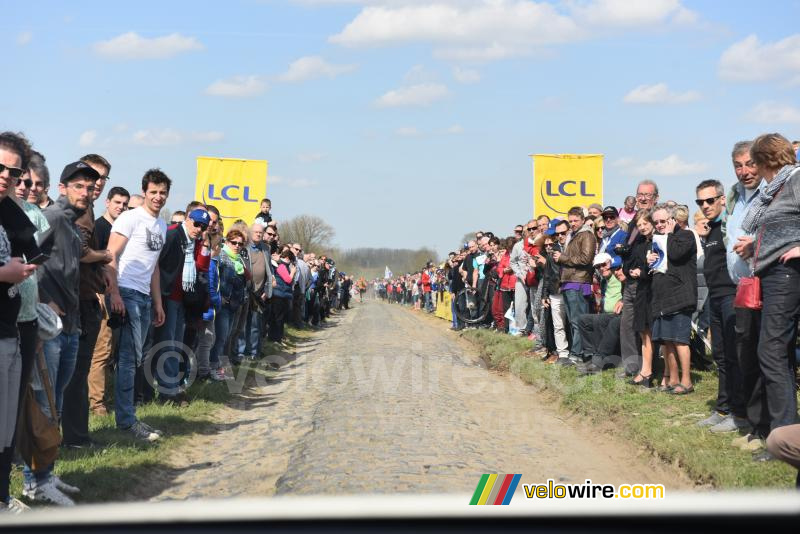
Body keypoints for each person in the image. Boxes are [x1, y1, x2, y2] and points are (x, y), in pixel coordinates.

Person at [23, 160, 98, 503]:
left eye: (89, 187)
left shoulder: (70, 224)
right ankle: (33, 481)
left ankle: (47, 476)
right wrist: (43, 300)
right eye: (78, 186)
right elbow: (24, 257)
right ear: (63, 188)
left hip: (71, 326)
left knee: (57, 404)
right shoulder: (51, 217)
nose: (85, 192)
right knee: (44, 404)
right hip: (49, 329)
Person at [738, 133, 800, 447]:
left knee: (771, 351)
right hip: (772, 273)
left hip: (788, 275)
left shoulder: (796, 179)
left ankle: (784, 436)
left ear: (764, 161)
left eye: (755, 163)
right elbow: (784, 226)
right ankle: (785, 435)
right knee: (779, 351)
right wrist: (756, 245)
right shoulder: (775, 191)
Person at [107, 169, 171, 442]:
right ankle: (126, 421)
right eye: (153, 192)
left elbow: (154, 267)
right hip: (127, 292)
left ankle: (129, 417)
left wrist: (158, 303)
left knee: (136, 358)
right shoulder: (130, 218)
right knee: (128, 360)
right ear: (144, 191)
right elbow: (111, 256)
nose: (158, 197)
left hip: (145, 297)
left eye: (163, 193)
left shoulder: (162, 226)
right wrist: (115, 294)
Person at [60, 153, 113, 449]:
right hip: (78, 301)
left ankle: (73, 437)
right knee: (75, 374)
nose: (97, 183)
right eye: (92, 176)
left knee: (74, 374)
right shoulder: (80, 210)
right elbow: (80, 252)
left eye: (102, 178)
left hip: (84, 297)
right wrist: (104, 256)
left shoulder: (86, 208)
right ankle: (76, 439)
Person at [0, 132, 40, 512]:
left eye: (12, 172)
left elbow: (33, 248)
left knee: (4, 429)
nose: (5, 176)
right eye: (0, 167)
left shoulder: (9, 212)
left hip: (11, 329)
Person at [692, 179, 748, 433]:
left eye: (710, 200)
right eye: (700, 201)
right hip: (715, 296)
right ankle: (723, 408)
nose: (705, 205)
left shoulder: (730, 224)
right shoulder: (711, 228)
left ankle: (739, 413)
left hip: (732, 295)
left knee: (735, 357)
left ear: (722, 199)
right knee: (721, 356)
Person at [725, 140, 770, 450]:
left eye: (750, 164)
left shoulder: (771, 195)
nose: (745, 171)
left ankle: (769, 430)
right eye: (739, 165)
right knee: (746, 357)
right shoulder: (735, 199)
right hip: (742, 288)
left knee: (767, 358)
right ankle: (754, 426)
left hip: (768, 285)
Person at [153, 208, 211, 404]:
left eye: (203, 227)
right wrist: (158, 298)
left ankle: (172, 387)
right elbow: (157, 264)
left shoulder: (195, 242)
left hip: (182, 300)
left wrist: (206, 244)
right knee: (167, 344)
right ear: (187, 220)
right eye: (196, 224)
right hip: (167, 297)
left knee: (176, 345)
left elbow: (202, 266)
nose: (198, 229)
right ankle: (167, 391)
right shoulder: (172, 235)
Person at [88, 186, 129, 415]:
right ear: (107, 202)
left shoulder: (121, 229)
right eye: (117, 203)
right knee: (101, 352)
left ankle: (101, 398)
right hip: (101, 294)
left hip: (118, 294)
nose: (121, 207)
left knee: (110, 351)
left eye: (124, 204)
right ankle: (97, 404)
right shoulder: (99, 227)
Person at [648, 204, 697, 395]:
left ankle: (687, 381)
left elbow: (677, 254)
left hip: (680, 296)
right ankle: (673, 379)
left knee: (680, 340)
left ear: (672, 220)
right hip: (662, 298)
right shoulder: (658, 240)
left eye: (663, 221)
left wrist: (669, 234)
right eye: (656, 222)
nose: (659, 225)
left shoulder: (685, 235)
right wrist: (650, 262)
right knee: (666, 341)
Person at [553, 207, 597, 365]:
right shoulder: (574, 235)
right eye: (570, 221)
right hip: (569, 282)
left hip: (578, 282)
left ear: (583, 220)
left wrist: (563, 257)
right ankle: (577, 353)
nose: (572, 224)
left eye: (575, 221)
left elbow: (586, 259)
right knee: (573, 321)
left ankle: (577, 355)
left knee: (578, 321)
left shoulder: (587, 235)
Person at [576, 253, 625, 375]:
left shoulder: (618, 274)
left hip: (620, 314)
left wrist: (623, 300)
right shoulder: (604, 280)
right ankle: (590, 355)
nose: (601, 268)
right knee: (583, 319)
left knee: (602, 320)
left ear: (610, 263)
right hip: (607, 314)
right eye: (598, 267)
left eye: (604, 265)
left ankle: (598, 361)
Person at [210, 229, 249, 367]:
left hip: (235, 304)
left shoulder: (240, 260)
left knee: (227, 337)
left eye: (240, 243)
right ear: (227, 241)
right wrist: (219, 296)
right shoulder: (221, 256)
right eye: (234, 242)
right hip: (223, 304)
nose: (237, 246)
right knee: (220, 338)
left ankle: (218, 365)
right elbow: (214, 278)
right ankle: (212, 366)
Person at [541, 220, 569, 363]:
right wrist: (544, 295)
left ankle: (575, 354)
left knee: (571, 323)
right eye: (558, 234)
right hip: (555, 292)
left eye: (563, 233)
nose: (560, 236)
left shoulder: (572, 248)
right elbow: (547, 275)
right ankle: (562, 353)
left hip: (570, 289)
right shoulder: (552, 251)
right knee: (558, 325)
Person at [269, 248, 296, 343]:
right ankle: (276, 338)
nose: (292, 263)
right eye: (292, 260)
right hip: (278, 295)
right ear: (288, 258)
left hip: (283, 295)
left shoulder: (283, 265)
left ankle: (278, 338)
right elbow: (288, 279)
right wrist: (292, 272)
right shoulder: (281, 266)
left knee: (280, 318)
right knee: (277, 318)